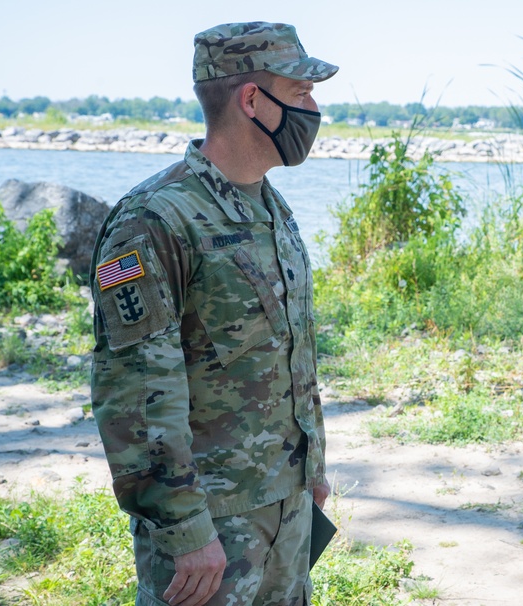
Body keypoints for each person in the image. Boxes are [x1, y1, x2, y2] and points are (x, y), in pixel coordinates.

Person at [90, 22, 338, 606]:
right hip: (212, 532)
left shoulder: (271, 208)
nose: (314, 108)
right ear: (253, 100)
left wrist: (311, 471)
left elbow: (289, 353)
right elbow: (135, 392)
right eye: (301, 93)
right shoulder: (153, 221)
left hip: (285, 509)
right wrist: (186, 531)